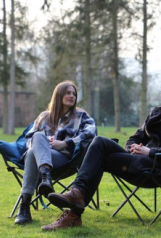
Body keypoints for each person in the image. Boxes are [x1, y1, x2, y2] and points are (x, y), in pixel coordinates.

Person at [42, 76, 161, 231]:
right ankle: (76, 198)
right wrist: (133, 147)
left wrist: (149, 151)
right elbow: (135, 137)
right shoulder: (156, 113)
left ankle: (74, 210)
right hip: (139, 161)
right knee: (99, 142)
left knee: (100, 152)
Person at [14, 81, 96, 225]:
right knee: (36, 141)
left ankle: (24, 206)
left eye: (74, 94)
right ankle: (45, 176)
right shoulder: (44, 116)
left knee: (34, 149)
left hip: (64, 158)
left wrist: (65, 143)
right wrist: (45, 142)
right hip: (40, 158)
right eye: (68, 93)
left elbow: (90, 133)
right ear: (58, 95)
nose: (72, 96)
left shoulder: (81, 116)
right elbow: (29, 138)